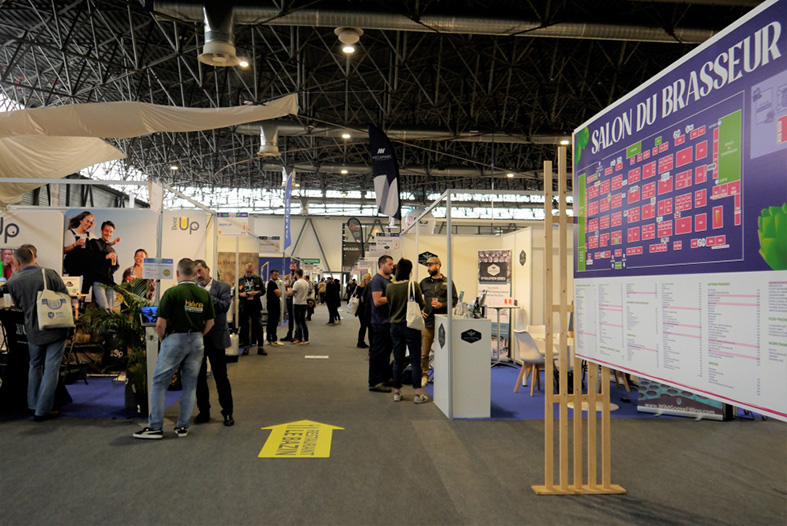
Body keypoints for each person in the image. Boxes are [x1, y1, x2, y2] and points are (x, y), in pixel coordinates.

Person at [133, 258, 215, 439]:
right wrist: (199, 335)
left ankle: (155, 427)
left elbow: (160, 324)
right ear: (194, 273)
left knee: (160, 383)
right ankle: (182, 427)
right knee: (190, 385)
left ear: (177, 273)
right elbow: (211, 321)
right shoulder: (204, 295)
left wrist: (164, 340)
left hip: (174, 339)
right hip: (196, 340)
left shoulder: (172, 293)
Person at [4, 247, 70, 421]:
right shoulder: (49, 274)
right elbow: (65, 296)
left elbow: (17, 305)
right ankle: (42, 410)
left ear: (17, 262)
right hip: (56, 326)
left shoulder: (13, 281)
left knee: (34, 366)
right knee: (51, 368)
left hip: (33, 330)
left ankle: (32, 404)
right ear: (33, 257)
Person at [193, 260, 235, 426]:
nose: (198, 275)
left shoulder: (223, 287)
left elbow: (224, 306)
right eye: (195, 272)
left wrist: (205, 296)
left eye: (200, 271)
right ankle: (204, 412)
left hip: (216, 339)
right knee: (199, 378)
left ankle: (228, 413)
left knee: (221, 378)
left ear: (207, 270)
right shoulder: (192, 290)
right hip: (198, 339)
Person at [386, 258, 429, 403]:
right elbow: (421, 304)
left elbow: (390, 306)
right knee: (415, 360)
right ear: (409, 271)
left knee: (398, 360)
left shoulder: (390, 287)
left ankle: (397, 392)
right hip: (411, 327)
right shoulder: (413, 285)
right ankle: (417, 394)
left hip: (394, 327)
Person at [419, 255, 458, 387]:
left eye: (430, 265)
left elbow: (454, 301)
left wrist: (442, 305)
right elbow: (415, 299)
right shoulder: (423, 282)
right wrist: (419, 310)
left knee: (445, 351)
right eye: (427, 266)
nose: (428, 268)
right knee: (425, 352)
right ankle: (424, 374)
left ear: (438, 265)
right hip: (427, 322)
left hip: (443, 323)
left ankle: (443, 375)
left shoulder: (448, 282)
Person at [368, 255, 394, 392]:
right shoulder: (377, 280)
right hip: (380, 322)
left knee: (386, 353)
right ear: (381, 264)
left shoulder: (388, 280)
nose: (392, 267)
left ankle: (384, 378)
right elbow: (377, 301)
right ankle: (375, 382)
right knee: (378, 353)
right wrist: (393, 296)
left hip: (388, 321)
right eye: (389, 264)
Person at [85, 220, 120, 310]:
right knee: (104, 308)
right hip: (98, 281)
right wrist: (106, 256)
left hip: (109, 282)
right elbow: (91, 259)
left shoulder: (111, 249)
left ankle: (106, 325)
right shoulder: (94, 243)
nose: (108, 233)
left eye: (111, 232)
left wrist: (113, 263)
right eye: (106, 231)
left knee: (110, 309)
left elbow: (116, 266)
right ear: (101, 231)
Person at [237, 263, 266, 355]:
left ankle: (260, 347)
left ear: (253, 270)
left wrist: (256, 292)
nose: (249, 273)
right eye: (247, 271)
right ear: (245, 270)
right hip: (244, 306)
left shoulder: (258, 279)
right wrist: (240, 294)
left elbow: (263, 290)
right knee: (244, 328)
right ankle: (246, 347)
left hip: (255, 306)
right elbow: (236, 292)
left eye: (250, 271)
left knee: (258, 326)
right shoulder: (240, 280)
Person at [63, 211, 95, 290]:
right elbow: (64, 250)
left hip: (84, 263)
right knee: (75, 272)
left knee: (91, 272)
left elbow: (100, 245)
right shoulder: (70, 233)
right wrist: (75, 244)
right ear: (81, 220)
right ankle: (72, 296)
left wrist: (112, 243)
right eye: (87, 221)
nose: (89, 224)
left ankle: (83, 297)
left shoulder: (89, 235)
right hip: (72, 263)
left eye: (91, 223)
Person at [287, 268, 309, 345]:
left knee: (297, 322)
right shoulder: (306, 283)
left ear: (296, 274)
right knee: (303, 321)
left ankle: (299, 339)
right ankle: (306, 338)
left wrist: (289, 292)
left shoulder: (297, 283)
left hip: (297, 304)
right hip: (304, 303)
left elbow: (292, 294)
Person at [281, 260, 298, 342]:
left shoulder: (298, 276)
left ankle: (296, 335)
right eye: (291, 266)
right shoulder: (287, 276)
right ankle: (289, 334)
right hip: (288, 297)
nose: (292, 267)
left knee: (296, 318)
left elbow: (294, 285)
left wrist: (289, 284)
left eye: (294, 266)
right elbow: (286, 286)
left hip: (296, 299)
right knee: (290, 317)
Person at [266, 269, 284, 346]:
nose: (276, 276)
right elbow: (279, 293)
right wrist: (280, 291)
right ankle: (274, 339)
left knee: (271, 322)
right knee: (273, 322)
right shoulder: (272, 284)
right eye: (275, 275)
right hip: (273, 306)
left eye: (277, 275)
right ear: (271, 275)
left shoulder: (274, 284)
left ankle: (269, 339)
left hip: (272, 305)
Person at [354, 273, 372, 348]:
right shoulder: (363, 288)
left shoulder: (359, 287)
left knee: (364, 326)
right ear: (365, 280)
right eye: (368, 279)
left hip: (362, 310)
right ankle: (360, 342)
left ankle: (360, 341)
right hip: (362, 310)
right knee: (365, 326)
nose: (370, 280)